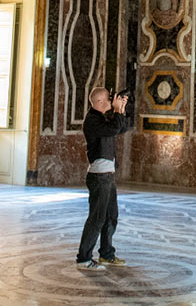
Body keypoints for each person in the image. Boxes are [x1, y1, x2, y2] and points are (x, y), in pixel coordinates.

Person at [76, 87, 130, 271]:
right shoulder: (92, 121)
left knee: (111, 216)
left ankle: (106, 254)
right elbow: (113, 128)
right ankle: (83, 258)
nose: (110, 100)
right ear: (99, 102)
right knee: (97, 218)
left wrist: (121, 109)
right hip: (99, 177)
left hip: (108, 175)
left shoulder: (103, 118)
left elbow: (122, 127)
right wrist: (116, 112)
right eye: (108, 98)